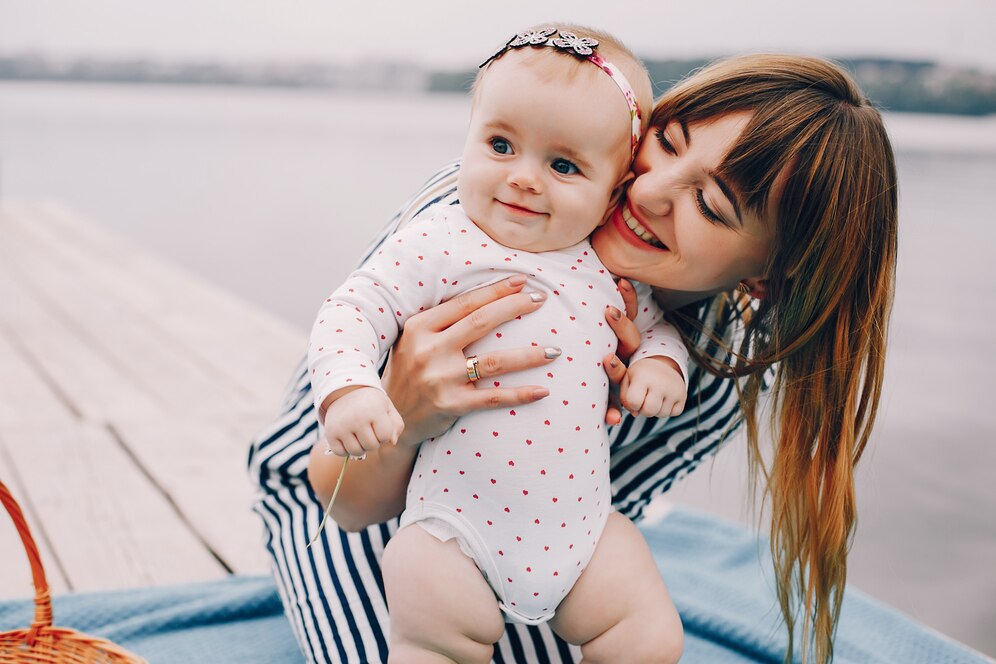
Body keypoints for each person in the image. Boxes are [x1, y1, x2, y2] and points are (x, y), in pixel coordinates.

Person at [248, 51, 898, 664]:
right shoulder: (495, 203)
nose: (648, 193)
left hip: (518, 536)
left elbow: (574, 536)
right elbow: (346, 504)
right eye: (667, 142)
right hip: (335, 484)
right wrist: (405, 405)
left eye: (709, 204)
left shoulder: (706, 384)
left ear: (764, 278)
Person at [309, 26, 688, 662]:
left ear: (614, 192)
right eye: (501, 144)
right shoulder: (442, 240)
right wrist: (349, 387)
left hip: (581, 535)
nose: (523, 178)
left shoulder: (603, 269)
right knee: (434, 637)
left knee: (648, 635)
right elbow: (354, 307)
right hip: (452, 533)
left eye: (563, 165)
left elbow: (655, 330)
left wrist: (660, 363)